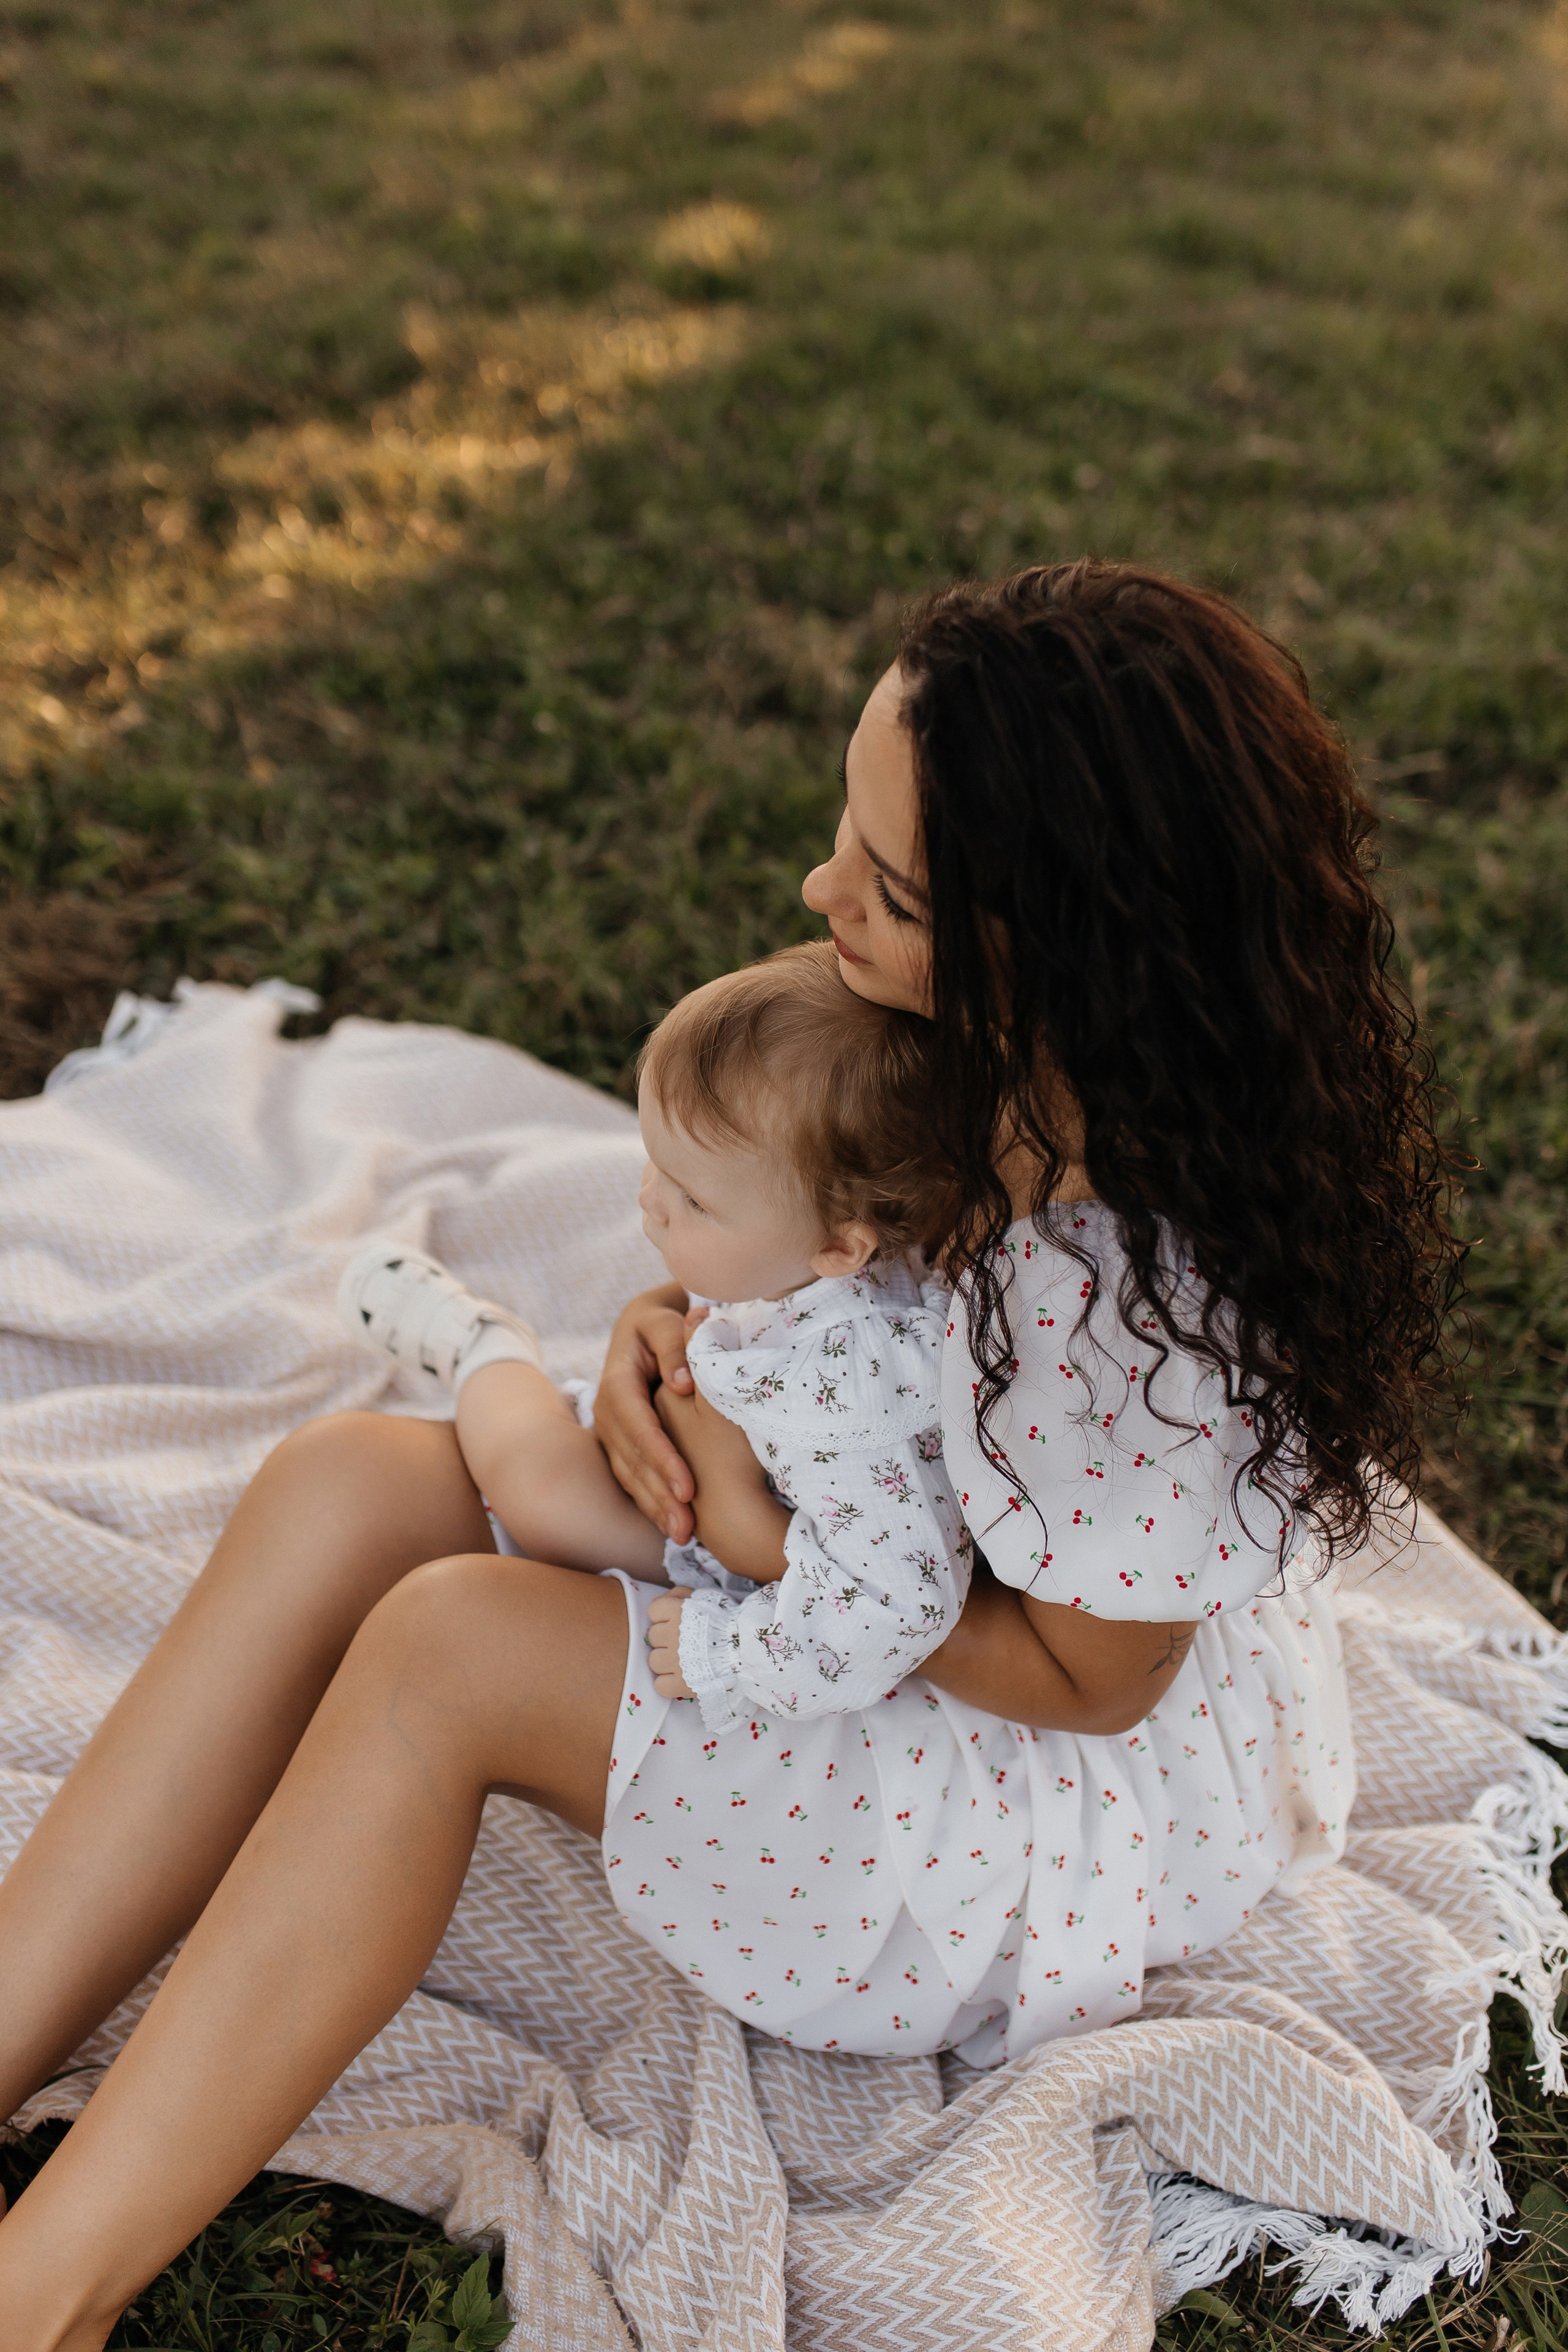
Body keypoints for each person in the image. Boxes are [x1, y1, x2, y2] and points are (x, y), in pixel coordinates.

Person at [0, 562, 1460, 2350]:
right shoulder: (933, 1043)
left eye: (891, 887)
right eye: (849, 832)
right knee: (351, 1484)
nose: (818, 891)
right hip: (858, 1545)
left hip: (1009, 1791)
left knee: (444, 1654)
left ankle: (41, 2293)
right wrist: (664, 1338)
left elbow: (1091, 1683)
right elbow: (805, 1237)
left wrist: (770, 1541)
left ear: (1061, 953)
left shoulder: (1132, 1318)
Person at [335, 939, 973, 1738]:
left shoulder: (859, 1404)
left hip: (731, 1554)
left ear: (842, 1248)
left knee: (544, 1496)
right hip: (707, 1469)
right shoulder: (812, 1258)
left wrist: (732, 1651)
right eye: (656, 1161)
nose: (651, 1201)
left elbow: (901, 1602)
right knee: (533, 1477)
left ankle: (483, 1346)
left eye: (694, 1200)